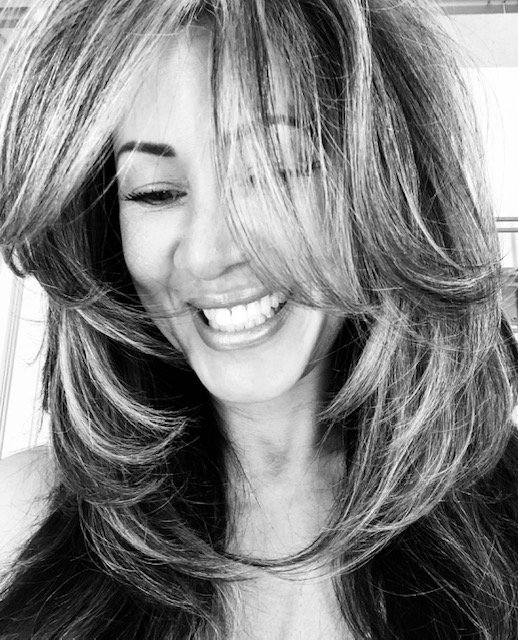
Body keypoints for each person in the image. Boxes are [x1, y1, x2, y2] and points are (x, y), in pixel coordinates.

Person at [0, 0, 517, 638]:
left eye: (274, 170)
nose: (208, 253)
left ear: (384, 187)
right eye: (156, 192)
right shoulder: (17, 517)